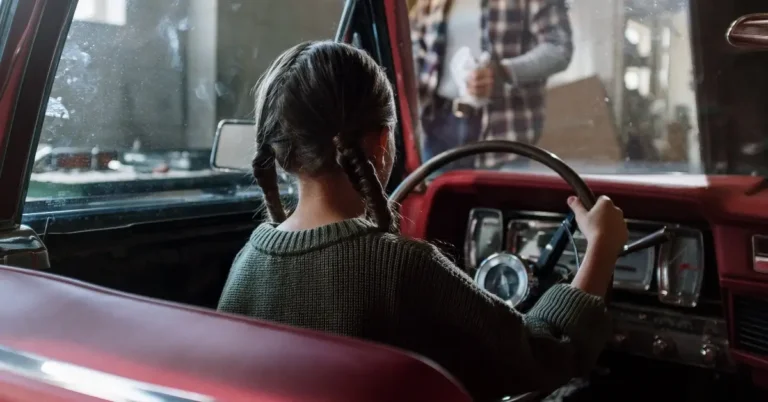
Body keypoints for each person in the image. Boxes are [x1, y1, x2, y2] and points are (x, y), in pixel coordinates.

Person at [217, 40, 628, 400]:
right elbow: (546, 353)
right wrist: (601, 249)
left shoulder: (246, 262)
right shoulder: (404, 268)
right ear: (380, 144)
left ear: (285, 152)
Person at [411, 0, 573, 170]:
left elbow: (559, 48)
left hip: (504, 128)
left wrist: (503, 73)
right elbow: (414, 46)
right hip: (439, 126)